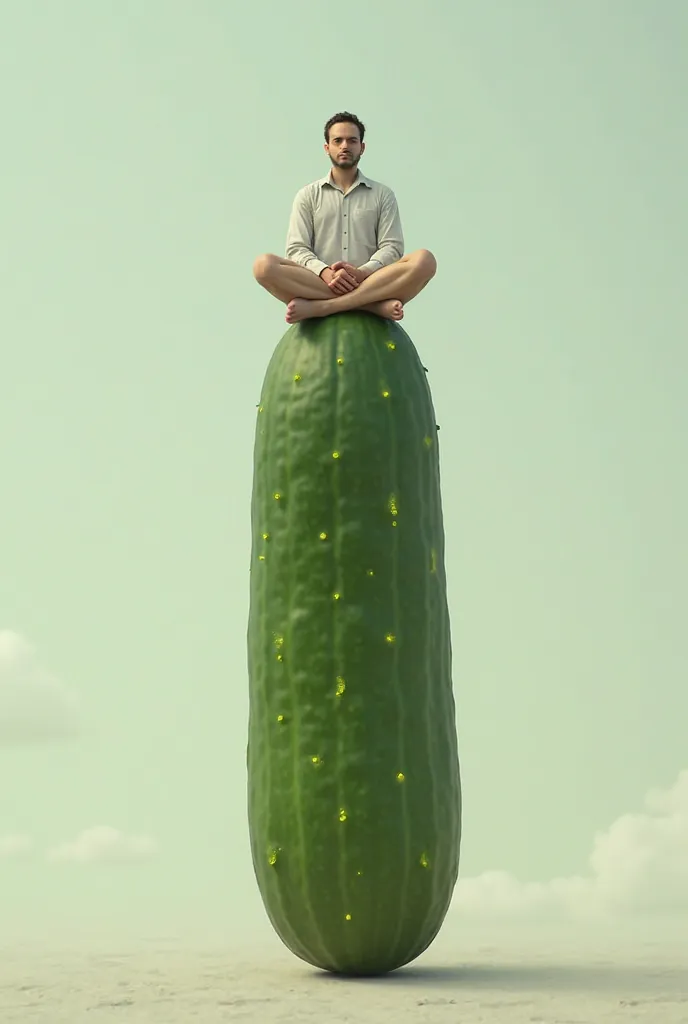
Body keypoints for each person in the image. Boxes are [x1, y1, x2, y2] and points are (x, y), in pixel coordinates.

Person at [252, 111, 437, 324]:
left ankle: (324, 307)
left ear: (362, 147)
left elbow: (392, 248)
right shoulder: (308, 195)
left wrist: (362, 273)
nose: (345, 146)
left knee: (424, 260)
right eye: (337, 140)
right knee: (263, 266)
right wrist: (324, 272)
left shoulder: (382, 195)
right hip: (320, 283)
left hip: (371, 281)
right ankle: (372, 306)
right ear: (327, 148)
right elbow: (296, 249)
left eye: (352, 140)